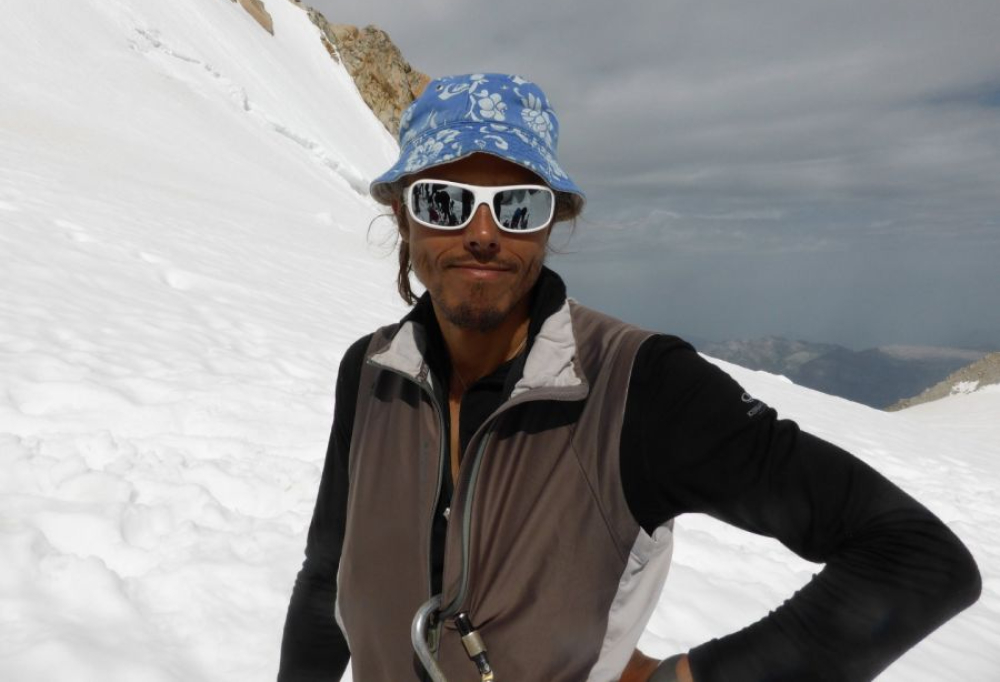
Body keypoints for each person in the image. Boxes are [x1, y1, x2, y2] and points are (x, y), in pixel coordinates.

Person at [278, 73, 981, 681]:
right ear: (402, 216)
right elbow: (326, 578)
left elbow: (916, 559)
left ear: (552, 222)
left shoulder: (638, 386)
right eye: (444, 200)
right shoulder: (370, 374)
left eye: (519, 205)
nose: (484, 232)